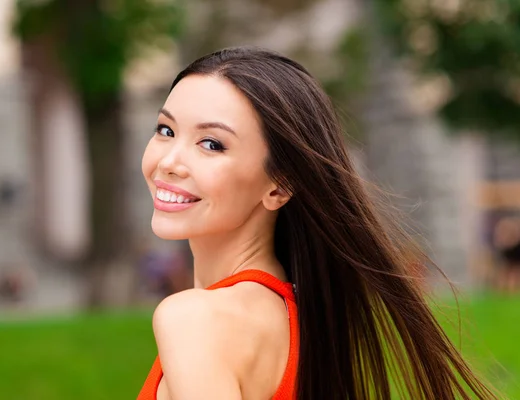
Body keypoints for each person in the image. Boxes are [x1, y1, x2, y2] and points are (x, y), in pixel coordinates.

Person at [137, 47, 497, 399]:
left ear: (279, 187)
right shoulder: (297, 320)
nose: (170, 161)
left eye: (212, 144)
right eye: (166, 130)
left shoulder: (194, 320)